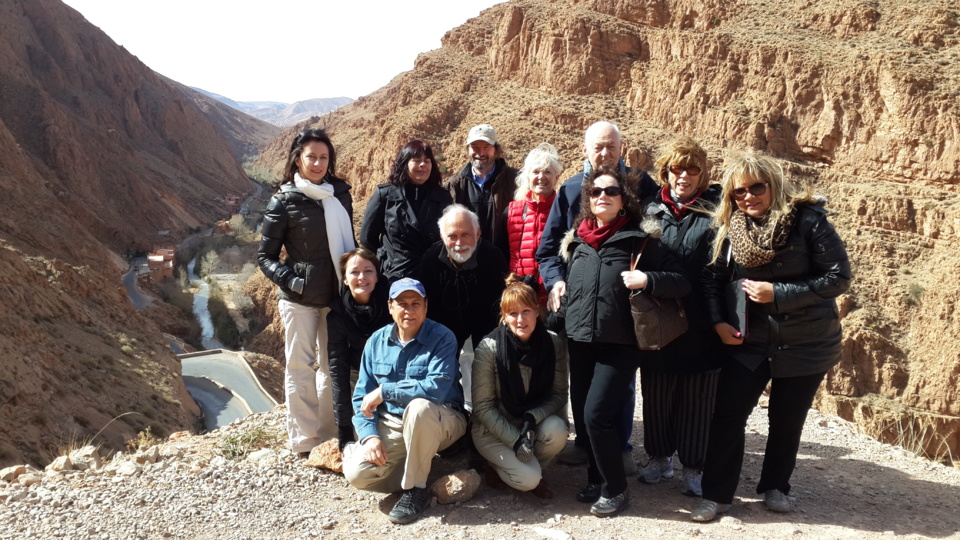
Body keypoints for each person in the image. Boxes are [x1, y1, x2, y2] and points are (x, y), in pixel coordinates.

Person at [691, 152, 851, 522]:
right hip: (749, 341)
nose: (749, 197)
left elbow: (838, 278)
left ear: (773, 185)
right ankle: (716, 495)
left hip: (805, 340)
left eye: (756, 187)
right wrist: (718, 323)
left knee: (787, 418)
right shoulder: (730, 230)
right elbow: (711, 281)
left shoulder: (808, 222)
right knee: (728, 416)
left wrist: (778, 293)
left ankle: (776, 485)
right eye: (738, 192)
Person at [563, 169, 690, 517]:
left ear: (624, 200)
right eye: (596, 191)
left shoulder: (640, 242)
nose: (602, 195)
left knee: (597, 415)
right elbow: (576, 291)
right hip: (580, 341)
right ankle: (596, 479)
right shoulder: (579, 243)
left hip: (618, 345)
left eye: (611, 191)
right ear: (588, 201)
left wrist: (648, 279)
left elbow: (682, 282)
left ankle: (616, 489)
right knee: (584, 415)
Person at [536, 121, 658, 470]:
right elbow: (547, 250)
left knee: (621, 382)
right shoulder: (572, 189)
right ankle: (587, 444)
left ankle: (620, 448)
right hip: (580, 305)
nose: (605, 153)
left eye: (611, 147)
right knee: (583, 377)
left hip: (622, 305)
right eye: (598, 147)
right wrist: (557, 280)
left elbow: (654, 236)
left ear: (622, 148)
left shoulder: (641, 184)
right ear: (585, 149)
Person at [257, 129, 355, 454]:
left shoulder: (339, 194)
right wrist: (291, 280)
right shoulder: (283, 200)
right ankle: (303, 440)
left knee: (332, 367)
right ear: (298, 158)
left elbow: (347, 244)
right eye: (311, 156)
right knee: (300, 368)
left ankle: (327, 437)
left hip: (336, 296)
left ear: (330, 160)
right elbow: (265, 257)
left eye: (323, 157)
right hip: (298, 299)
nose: (317, 163)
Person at [636, 137, 723, 497]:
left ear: (703, 175)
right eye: (676, 168)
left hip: (701, 319)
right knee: (657, 390)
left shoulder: (717, 211)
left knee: (696, 397)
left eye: (692, 169)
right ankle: (659, 457)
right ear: (665, 172)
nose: (684, 176)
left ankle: (693, 465)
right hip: (659, 314)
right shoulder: (650, 210)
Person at [342, 278, 467, 525]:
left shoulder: (443, 337)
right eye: (402, 304)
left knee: (419, 408)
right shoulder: (376, 342)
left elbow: (436, 390)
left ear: (425, 306)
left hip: (442, 418)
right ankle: (420, 467)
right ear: (390, 307)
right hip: (394, 422)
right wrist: (369, 436)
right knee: (358, 475)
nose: (409, 311)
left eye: (415, 304)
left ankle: (416, 488)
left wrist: (386, 391)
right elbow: (361, 398)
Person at [471, 275, 569, 497]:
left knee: (557, 430)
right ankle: (502, 467)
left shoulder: (552, 343)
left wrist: (532, 417)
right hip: (493, 429)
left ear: (537, 311)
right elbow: (483, 408)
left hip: (530, 423)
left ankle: (529, 468)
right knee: (527, 480)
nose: (520, 320)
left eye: (526, 311)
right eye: (512, 313)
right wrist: (516, 441)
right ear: (504, 317)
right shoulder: (489, 347)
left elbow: (559, 394)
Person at [416, 204, 508, 409]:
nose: (459, 243)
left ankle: (489, 414)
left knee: (489, 365)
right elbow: (427, 305)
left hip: (485, 319)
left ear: (478, 233)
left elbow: (499, 306)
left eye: (466, 234)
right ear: (442, 236)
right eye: (452, 236)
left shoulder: (493, 257)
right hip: (444, 321)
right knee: (441, 366)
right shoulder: (431, 259)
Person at [327, 248, 392, 452]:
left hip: (394, 372)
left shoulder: (393, 304)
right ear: (345, 279)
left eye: (368, 271)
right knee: (363, 437)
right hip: (360, 374)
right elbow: (339, 366)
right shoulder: (338, 314)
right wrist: (343, 426)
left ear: (377, 276)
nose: (361, 277)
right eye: (354, 272)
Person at [360, 140, 452, 282]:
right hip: (396, 275)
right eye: (416, 160)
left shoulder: (442, 197)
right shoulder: (385, 195)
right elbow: (367, 239)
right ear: (405, 163)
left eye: (427, 161)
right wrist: (385, 261)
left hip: (434, 275)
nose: (422, 165)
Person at [494, 143, 563, 307]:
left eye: (547, 172)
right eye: (536, 172)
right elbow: (500, 253)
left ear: (557, 177)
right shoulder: (512, 211)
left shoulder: (564, 212)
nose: (541, 177)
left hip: (554, 297)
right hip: (519, 297)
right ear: (527, 176)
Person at [446, 124, 518, 241]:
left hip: (503, 256)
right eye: (475, 147)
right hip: (467, 256)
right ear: (468, 149)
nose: (480, 153)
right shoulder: (454, 185)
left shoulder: (515, 180)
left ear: (496, 149)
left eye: (486, 147)